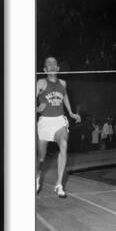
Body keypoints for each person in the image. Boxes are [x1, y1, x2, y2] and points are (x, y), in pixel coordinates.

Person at [36, 56, 81, 197]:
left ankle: (59, 184)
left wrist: (72, 113)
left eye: (54, 63)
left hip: (59, 121)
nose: (51, 65)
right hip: (44, 122)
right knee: (41, 158)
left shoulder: (63, 83)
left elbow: (65, 97)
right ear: (44, 69)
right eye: (48, 63)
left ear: (58, 68)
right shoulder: (41, 83)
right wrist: (37, 108)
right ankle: (37, 176)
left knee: (64, 143)